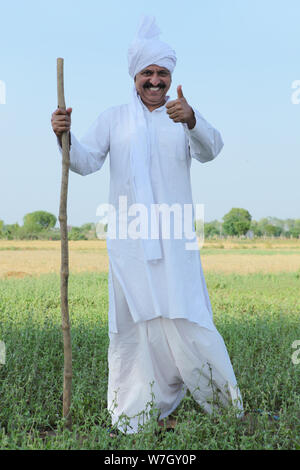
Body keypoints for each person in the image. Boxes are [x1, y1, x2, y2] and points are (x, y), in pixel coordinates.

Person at [51, 16, 244, 435]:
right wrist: (63, 136)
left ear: (171, 76)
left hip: (176, 242)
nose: (155, 81)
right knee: (132, 327)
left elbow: (212, 150)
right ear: (134, 77)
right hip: (129, 245)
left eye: (162, 73)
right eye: (148, 74)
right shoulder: (113, 118)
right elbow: (84, 162)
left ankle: (226, 409)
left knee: (191, 320)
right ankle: (136, 414)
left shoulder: (180, 115)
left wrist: (191, 118)